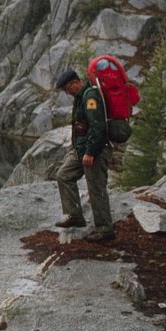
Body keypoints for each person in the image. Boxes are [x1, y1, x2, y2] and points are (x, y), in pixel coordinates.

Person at [53, 69, 115, 242]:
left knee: (96, 188)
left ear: (75, 83)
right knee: (63, 175)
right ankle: (74, 215)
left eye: (67, 88)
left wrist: (90, 152)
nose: (67, 92)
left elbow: (98, 127)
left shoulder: (90, 96)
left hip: (95, 150)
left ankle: (104, 229)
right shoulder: (80, 97)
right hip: (81, 150)